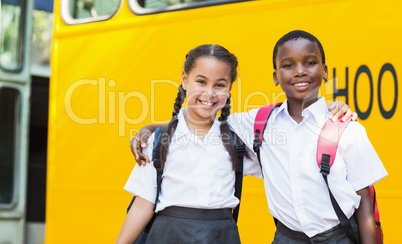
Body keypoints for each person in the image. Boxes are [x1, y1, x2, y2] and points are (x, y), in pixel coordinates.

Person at [131, 31, 387, 243]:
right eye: (288, 66)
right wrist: (152, 129)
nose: (299, 72)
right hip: (287, 237)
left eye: (309, 63)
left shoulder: (345, 127)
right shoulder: (260, 123)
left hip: (338, 236)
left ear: (325, 71)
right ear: (276, 77)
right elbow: (202, 116)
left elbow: (365, 201)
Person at [116, 44, 262, 244]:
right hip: (168, 236)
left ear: (229, 88)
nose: (209, 93)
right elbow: (143, 204)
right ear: (185, 80)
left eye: (219, 85)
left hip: (222, 236)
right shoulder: (159, 141)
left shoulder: (238, 137)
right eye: (201, 81)